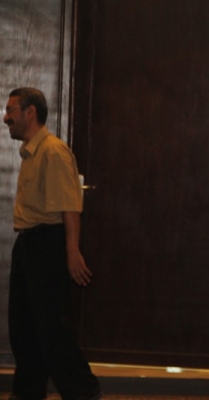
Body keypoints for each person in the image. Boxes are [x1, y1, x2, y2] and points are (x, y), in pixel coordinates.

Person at [4, 88, 102, 400]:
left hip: (48, 245)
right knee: (24, 331)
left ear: (30, 112)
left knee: (52, 332)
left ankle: (84, 394)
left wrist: (71, 251)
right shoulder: (31, 152)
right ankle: (27, 394)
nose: (6, 118)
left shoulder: (53, 152)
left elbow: (69, 206)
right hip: (28, 245)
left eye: (11, 111)